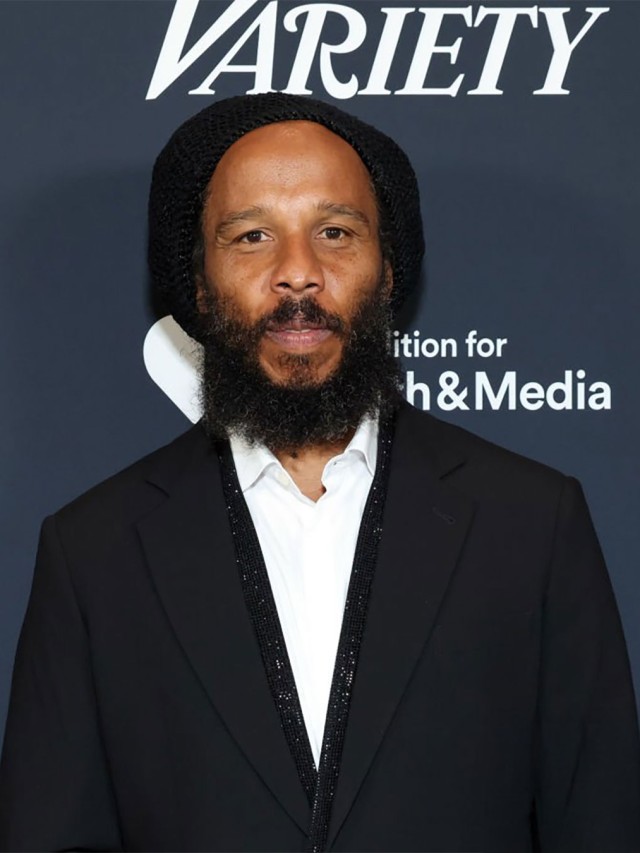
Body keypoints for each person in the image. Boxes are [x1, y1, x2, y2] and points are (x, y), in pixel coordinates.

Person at [0, 93, 638, 853]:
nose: (297, 274)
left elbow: (601, 824)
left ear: (389, 271)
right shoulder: (92, 554)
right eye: (252, 236)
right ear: (199, 284)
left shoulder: (532, 523)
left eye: (335, 232)